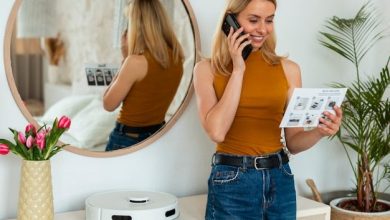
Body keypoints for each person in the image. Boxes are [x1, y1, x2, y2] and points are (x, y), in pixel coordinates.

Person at [193, 0, 343, 219]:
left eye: (269, 20)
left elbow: (294, 142)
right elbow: (216, 132)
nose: (263, 29)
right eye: (253, 20)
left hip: (279, 178)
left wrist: (321, 131)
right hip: (232, 181)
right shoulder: (206, 69)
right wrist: (238, 69)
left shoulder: (289, 70)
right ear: (230, 21)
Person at [103, 0, 184, 151]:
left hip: (127, 139)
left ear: (137, 26)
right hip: (157, 137)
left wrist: (125, 59)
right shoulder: (177, 58)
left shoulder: (134, 62)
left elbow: (108, 104)